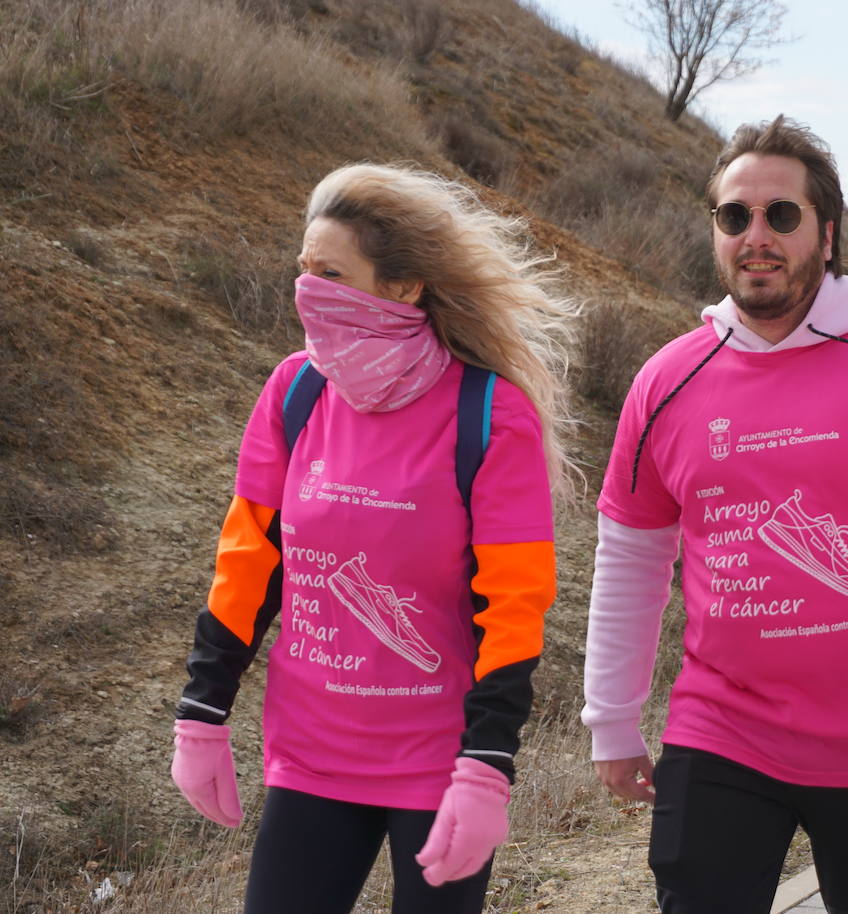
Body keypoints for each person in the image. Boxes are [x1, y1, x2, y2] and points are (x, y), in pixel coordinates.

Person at [580, 115, 848, 914]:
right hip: (721, 732)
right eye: (735, 216)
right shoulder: (667, 381)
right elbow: (631, 553)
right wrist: (611, 719)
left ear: (826, 236)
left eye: (781, 215)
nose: (757, 235)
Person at [169, 163, 574, 913]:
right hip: (311, 757)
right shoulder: (295, 392)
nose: (307, 289)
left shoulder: (491, 413)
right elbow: (249, 561)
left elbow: (515, 602)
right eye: (303, 269)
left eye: (332, 273)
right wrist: (203, 709)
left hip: (437, 765)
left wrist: (487, 764)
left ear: (404, 286)